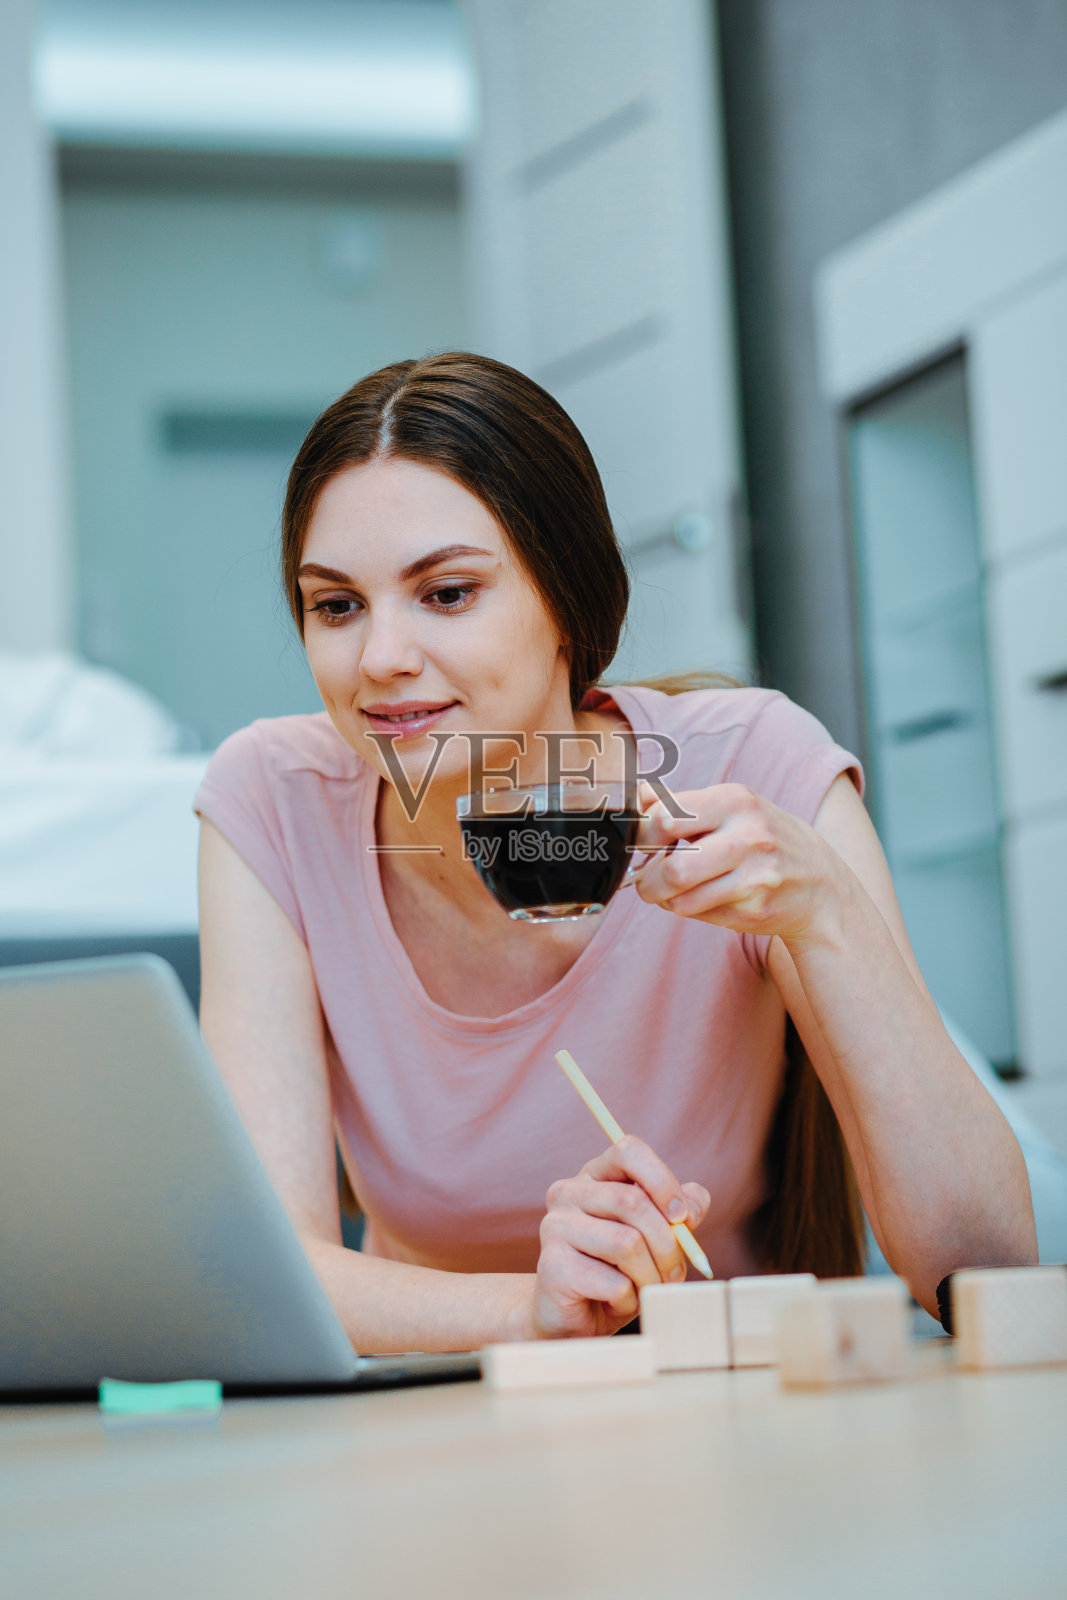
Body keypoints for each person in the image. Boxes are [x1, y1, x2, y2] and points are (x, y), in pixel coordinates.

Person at [194, 352, 1036, 1353]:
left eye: (447, 592)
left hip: (741, 1408)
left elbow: (982, 1271)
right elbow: (269, 1272)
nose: (379, 658)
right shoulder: (274, 801)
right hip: (438, 1429)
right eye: (336, 605)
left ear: (565, 596)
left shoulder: (749, 765)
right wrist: (535, 1310)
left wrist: (827, 915)